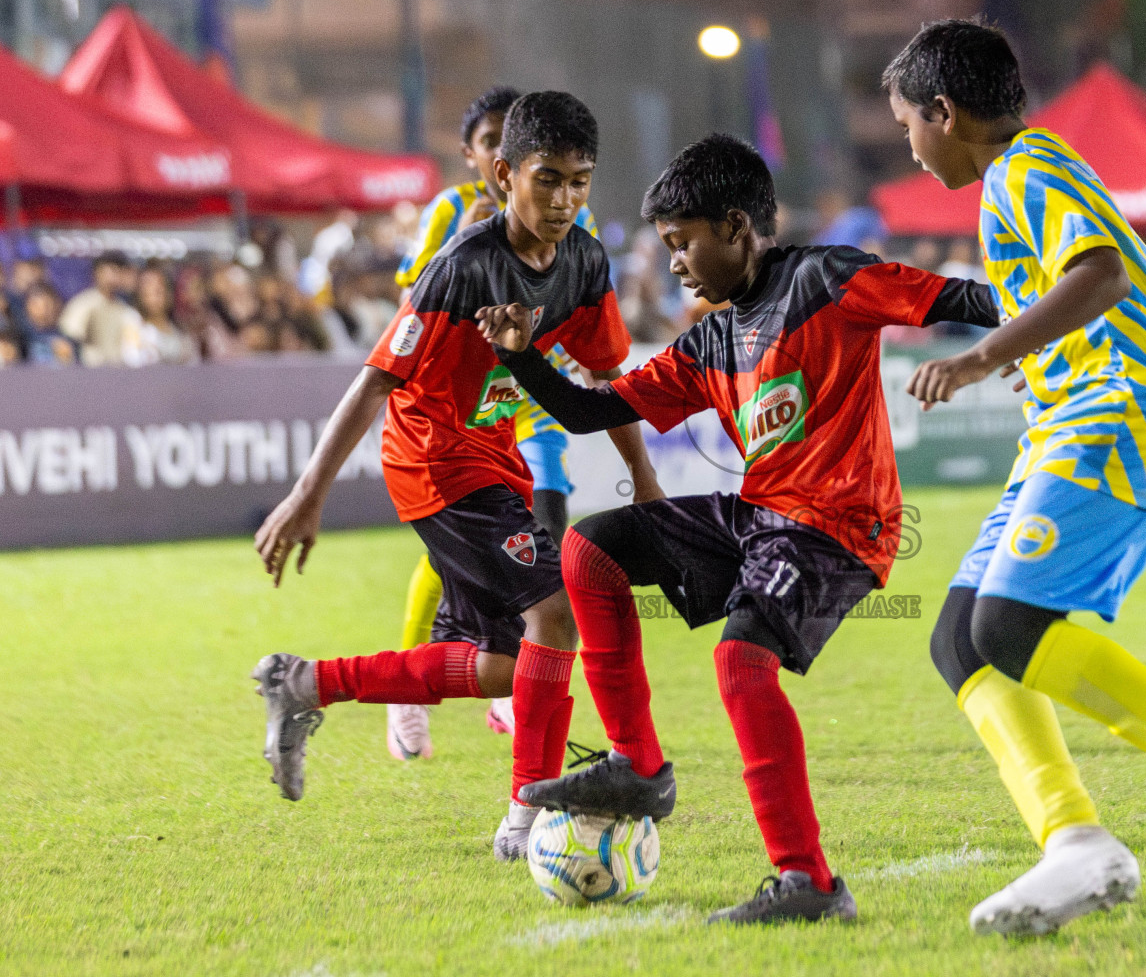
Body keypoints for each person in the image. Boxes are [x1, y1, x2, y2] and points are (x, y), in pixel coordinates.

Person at [477, 134, 999, 925]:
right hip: (759, 517)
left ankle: (809, 885)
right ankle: (637, 767)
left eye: (684, 244)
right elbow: (592, 411)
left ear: (735, 227)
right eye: (667, 248)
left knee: (739, 662)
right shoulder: (710, 338)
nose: (676, 263)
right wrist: (521, 359)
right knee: (590, 547)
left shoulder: (829, 278)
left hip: (837, 523)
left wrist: (1045, 320)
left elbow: (971, 300)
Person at [883, 19, 1146, 937]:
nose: (909, 150)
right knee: (962, 638)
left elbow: (1105, 273)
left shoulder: (1030, 169)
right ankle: (1074, 843)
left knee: (1008, 624)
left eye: (907, 127)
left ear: (944, 113)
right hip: (1067, 422)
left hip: (1123, 409)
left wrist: (978, 357)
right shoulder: (1015, 180)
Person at [249, 92, 658, 863]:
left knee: (508, 663)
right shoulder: (462, 266)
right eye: (548, 180)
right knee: (557, 614)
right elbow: (374, 380)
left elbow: (608, 377)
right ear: (503, 175)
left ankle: (302, 684)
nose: (566, 199)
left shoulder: (584, 259)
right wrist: (309, 494)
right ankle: (527, 815)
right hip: (432, 458)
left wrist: (642, 478)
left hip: (493, 450)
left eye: (580, 181)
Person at [383, 85, 634, 759]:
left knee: (542, 532)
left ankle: (506, 681)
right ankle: (422, 689)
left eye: (573, 179)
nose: (500, 148)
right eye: (489, 141)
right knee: (454, 556)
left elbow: (590, 323)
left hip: (529, 402)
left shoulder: (567, 231)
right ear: (478, 160)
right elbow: (416, 293)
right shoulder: (454, 220)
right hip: (462, 408)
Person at [58, 251, 142, 367]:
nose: (114, 276)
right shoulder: (84, 304)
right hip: (91, 372)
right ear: (97, 272)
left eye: (119, 271)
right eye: (111, 270)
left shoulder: (125, 308)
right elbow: (69, 338)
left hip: (119, 372)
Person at [131, 264, 198, 365]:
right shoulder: (134, 329)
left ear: (169, 294)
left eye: (158, 291)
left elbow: (193, 364)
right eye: (147, 292)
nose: (153, 298)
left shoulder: (182, 333)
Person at [19, 281, 77, 366]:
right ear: (27, 306)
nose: (43, 309)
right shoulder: (19, 337)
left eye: (47, 304)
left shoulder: (67, 338)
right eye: (36, 304)